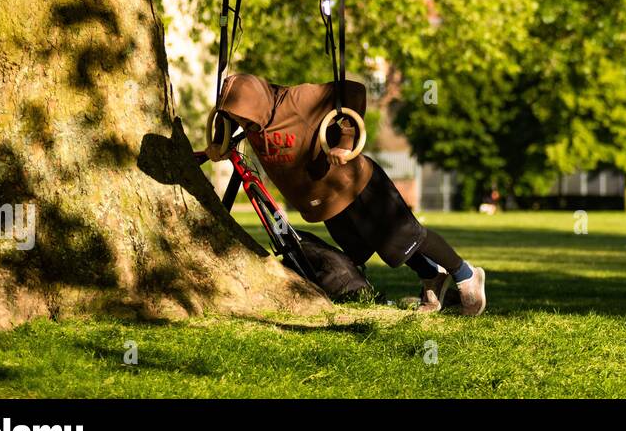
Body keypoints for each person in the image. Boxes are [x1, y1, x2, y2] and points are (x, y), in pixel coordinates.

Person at [206, 72, 487, 315]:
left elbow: (353, 91)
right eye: (237, 118)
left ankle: (467, 275)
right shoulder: (253, 122)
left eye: (243, 117)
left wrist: (345, 140)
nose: (243, 123)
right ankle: (431, 278)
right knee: (385, 245)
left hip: (357, 184)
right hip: (328, 200)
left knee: (406, 235)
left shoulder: (297, 100)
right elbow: (226, 122)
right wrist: (219, 142)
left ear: (257, 104)